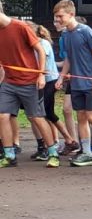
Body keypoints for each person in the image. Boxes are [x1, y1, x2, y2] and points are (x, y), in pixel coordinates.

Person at [54, 0, 92, 167]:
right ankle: (87, 151)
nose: (58, 19)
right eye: (56, 16)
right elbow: (68, 58)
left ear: (71, 14)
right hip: (76, 83)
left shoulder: (85, 31)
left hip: (91, 82)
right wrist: (61, 77)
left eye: (60, 16)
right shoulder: (66, 35)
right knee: (81, 116)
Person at [0, 11, 60, 168]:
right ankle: (9, 155)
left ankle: (53, 153)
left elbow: (40, 51)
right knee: (2, 116)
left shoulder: (20, 26)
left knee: (36, 117)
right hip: (9, 81)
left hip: (29, 81)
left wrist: (41, 75)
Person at [34, 24, 78, 157]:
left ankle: (68, 140)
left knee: (47, 113)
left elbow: (43, 63)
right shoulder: (33, 44)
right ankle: (59, 141)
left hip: (49, 80)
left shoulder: (43, 43)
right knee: (45, 113)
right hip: (42, 81)